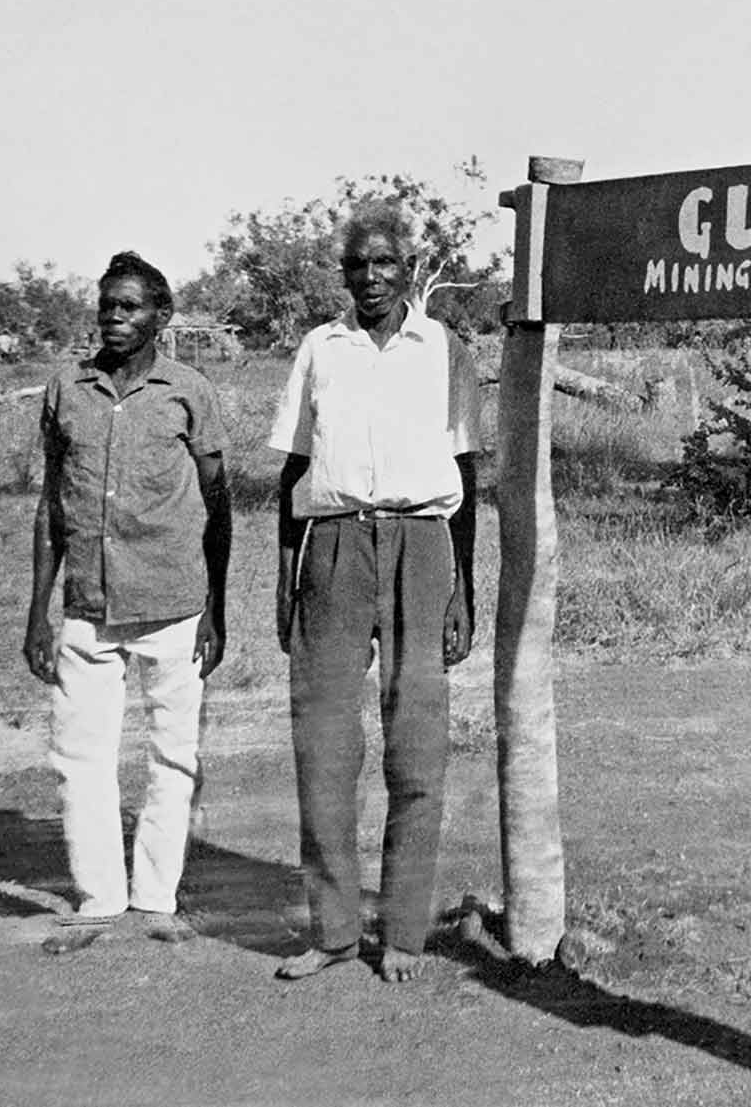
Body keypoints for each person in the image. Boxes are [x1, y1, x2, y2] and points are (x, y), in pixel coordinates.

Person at [267, 203, 482, 982]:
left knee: (417, 746)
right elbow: (292, 471)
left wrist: (464, 589)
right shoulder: (320, 350)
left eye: (385, 263)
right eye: (357, 264)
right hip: (332, 547)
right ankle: (329, 931)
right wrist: (287, 583)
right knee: (324, 745)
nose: (371, 277)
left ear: (409, 267)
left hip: (423, 546)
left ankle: (402, 933)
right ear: (343, 272)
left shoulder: (444, 348)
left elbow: (470, 475)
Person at [23, 251, 231, 955]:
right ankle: (96, 897)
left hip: (174, 604)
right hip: (87, 607)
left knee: (174, 756)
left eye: (130, 307)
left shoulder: (189, 391)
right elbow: (51, 505)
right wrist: (37, 614)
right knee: (79, 757)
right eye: (107, 305)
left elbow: (218, 502)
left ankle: (157, 895)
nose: (115, 318)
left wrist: (217, 608)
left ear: (161, 318)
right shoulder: (67, 390)